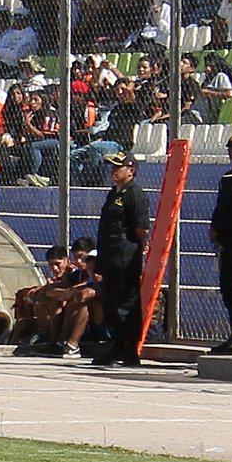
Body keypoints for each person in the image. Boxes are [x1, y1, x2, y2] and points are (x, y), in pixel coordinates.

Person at [92, 151, 149, 367]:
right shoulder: (114, 193)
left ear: (131, 170)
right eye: (112, 167)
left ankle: (129, 350)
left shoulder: (135, 193)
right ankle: (116, 346)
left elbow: (140, 228)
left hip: (126, 257)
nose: (114, 171)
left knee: (126, 305)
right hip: (111, 257)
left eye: (119, 167)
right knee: (111, 304)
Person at [208, 132, 232, 355]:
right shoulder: (227, 178)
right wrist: (215, 228)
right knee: (231, 289)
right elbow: (221, 208)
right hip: (230, 244)